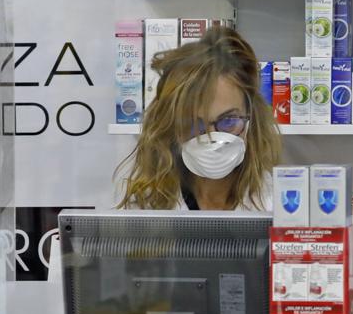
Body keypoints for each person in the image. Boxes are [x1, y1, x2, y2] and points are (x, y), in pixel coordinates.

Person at [116, 26, 282, 211]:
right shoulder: (147, 205)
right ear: (170, 126)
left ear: (252, 118)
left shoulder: (276, 201)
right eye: (194, 125)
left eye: (228, 121)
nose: (212, 140)